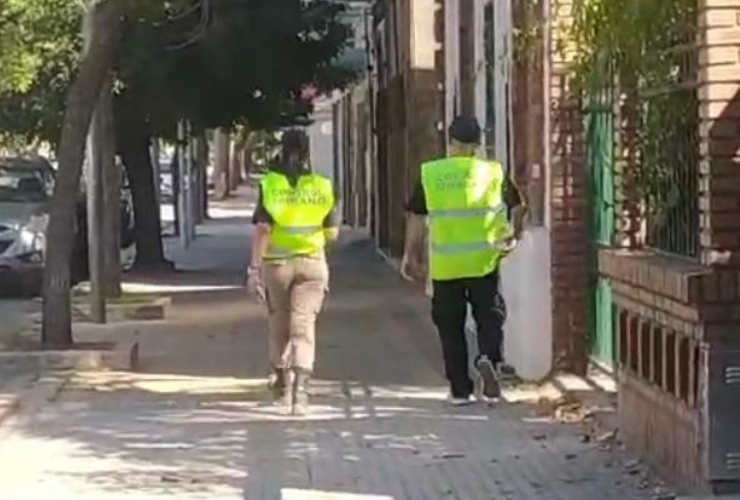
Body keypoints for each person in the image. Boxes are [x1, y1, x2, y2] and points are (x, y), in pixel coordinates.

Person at [401, 115, 526, 406]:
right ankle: (489, 360)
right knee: (489, 317)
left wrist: (412, 254)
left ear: (451, 143)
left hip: (447, 266)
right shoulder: (493, 173)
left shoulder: (431, 175)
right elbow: (519, 207)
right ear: (477, 145)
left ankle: (460, 390)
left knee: (450, 325)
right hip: (484, 260)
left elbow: (417, 218)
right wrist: (513, 236)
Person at [246, 129, 339, 416]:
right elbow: (332, 233)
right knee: (304, 327)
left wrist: (253, 269)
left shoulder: (271, 186)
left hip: (278, 265)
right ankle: (302, 394)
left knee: (279, 325)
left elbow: (263, 229)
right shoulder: (322, 187)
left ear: (280, 150)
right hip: (312, 265)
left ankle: (283, 386)